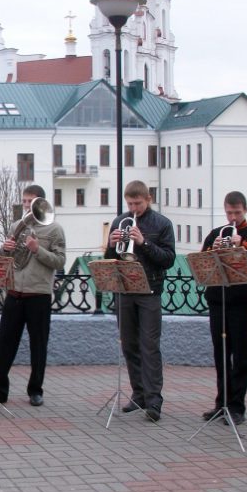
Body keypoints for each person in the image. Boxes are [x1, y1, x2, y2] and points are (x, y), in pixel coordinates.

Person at [104, 180, 176, 422]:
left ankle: (154, 401)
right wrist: (112, 245)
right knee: (129, 345)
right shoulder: (119, 221)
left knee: (149, 346)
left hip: (150, 291)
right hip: (124, 290)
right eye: (130, 203)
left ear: (148, 200)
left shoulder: (162, 224)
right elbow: (110, 258)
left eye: (138, 203)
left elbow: (168, 259)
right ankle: (139, 394)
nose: (133, 208)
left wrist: (144, 242)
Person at [0, 185, 66, 406]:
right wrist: (5, 248)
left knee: (38, 345)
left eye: (30, 201)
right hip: (14, 293)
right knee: (4, 344)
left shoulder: (54, 230)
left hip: (38, 294)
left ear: (41, 202)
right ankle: (0, 390)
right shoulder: (16, 226)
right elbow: (8, 258)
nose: (26, 205)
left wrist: (37, 249)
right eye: (24, 201)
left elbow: (60, 261)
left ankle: (35, 390)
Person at [198, 191, 247, 425]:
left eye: (237, 213)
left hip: (240, 302)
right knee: (221, 354)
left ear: (245, 210)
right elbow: (202, 263)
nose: (233, 217)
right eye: (229, 212)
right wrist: (214, 250)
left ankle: (237, 406)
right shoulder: (215, 234)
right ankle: (222, 403)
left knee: (240, 355)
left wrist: (241, 250)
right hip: (218, 299)